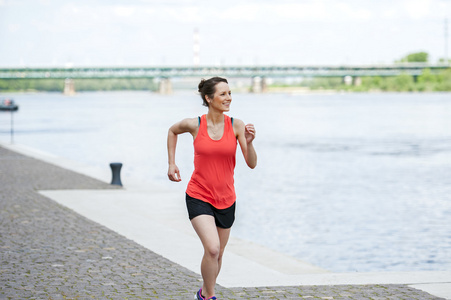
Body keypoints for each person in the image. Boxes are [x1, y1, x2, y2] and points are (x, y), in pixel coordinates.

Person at [167, 77, 257, 300]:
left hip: (226, 198)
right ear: (209, 98)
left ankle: (204, 292)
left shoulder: (236, 125)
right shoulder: (194, 124)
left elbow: (252, 163)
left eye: (229, 93)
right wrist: (171, 162)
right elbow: (172, 131)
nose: (229, 98)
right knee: (213, 248)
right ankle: (210, 296)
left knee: (218, 254)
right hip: (199, 194)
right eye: (223, 94)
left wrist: (250, 142)